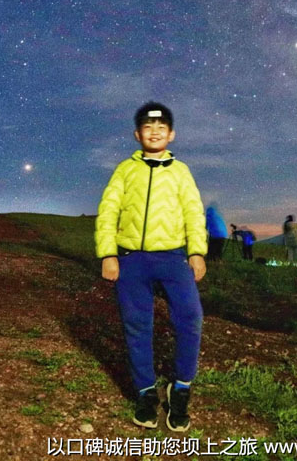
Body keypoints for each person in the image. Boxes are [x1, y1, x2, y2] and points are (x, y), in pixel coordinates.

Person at [95, 101, 207, 433]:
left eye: (161, 127)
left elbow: (192, 212)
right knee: (136, 324)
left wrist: (197, 251)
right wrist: (108, 254)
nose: (154, 131)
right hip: (131, 259)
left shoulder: (181, 171)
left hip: (173, 256)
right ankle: (145, 393)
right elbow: (108, 211)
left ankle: (181, 387)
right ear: (137, 134)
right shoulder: (125, 170)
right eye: (147, 126)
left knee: (190, 318)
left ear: (171, 134)